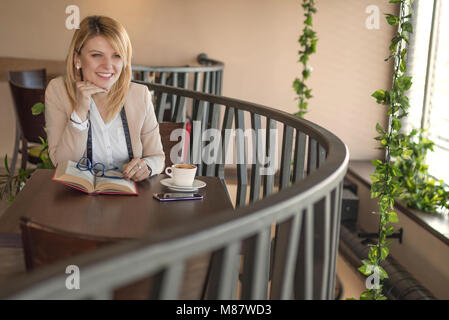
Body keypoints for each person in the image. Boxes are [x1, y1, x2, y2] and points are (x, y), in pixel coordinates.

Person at [45, 15, 165, 182]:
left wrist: (147, 166)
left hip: (130, 198)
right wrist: (80, 110)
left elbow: (157, 157)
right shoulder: (58, 91)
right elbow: (61, 164)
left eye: (116, 55)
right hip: (78, 200)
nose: (108, 66)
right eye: (96, 55)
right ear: (77, 58)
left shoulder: (139, 94)